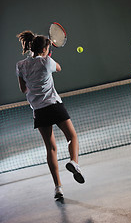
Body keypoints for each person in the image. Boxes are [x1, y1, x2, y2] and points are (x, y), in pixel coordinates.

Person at [16, 31, 85, 199]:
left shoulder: (20, 65)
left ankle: (58, 188)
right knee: (72, 137)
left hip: (39, 111)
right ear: (46, 49)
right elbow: (59, 68)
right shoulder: (48, 62)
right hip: (54, 106)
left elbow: (23, 89)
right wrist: (49, 57)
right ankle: (74, 162)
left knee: (51, 148)